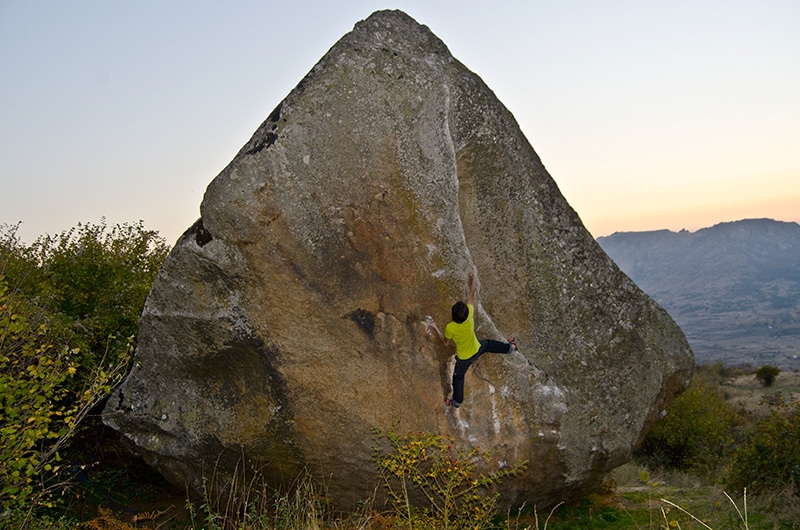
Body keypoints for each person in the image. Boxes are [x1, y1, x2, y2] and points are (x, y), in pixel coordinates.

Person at [427, 264, 516, 407]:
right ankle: (510, 348)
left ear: (453, 316)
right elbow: (471, 294)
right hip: (477, 348)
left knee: (458, 378)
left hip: (464, 358)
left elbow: (445, 342)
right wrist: (475, 275)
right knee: (489, 344)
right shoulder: (469, 318)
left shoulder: (451, 327)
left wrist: (435, 327)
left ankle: (457, 401)